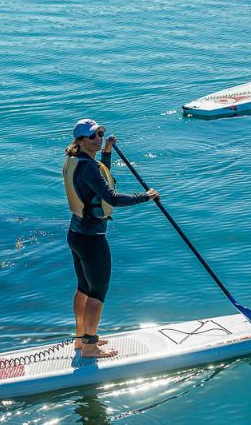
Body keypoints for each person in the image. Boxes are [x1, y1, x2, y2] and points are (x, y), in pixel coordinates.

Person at [62, 118, 159, 358]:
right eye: (94, 136)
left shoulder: (77, 162)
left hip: (76, 234)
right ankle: (90, 347)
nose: (99, 138)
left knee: (84, 287)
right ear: (81, 140)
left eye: (101, 133)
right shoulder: (88, 167)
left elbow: (100, 180)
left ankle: (80, 338)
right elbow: (112, 197)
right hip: (92, 238)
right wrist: (145, 196)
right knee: (98, 291)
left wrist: (106, 153)